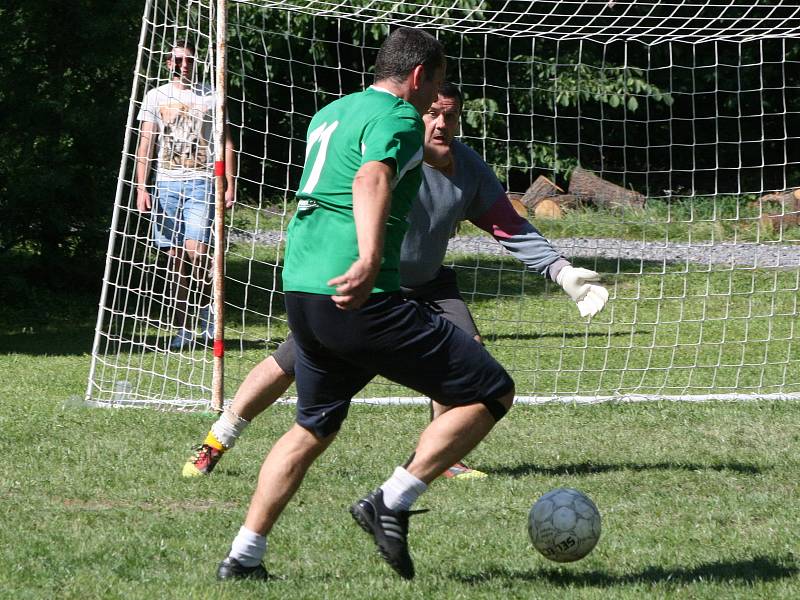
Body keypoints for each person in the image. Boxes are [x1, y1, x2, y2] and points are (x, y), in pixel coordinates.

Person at [183, 82, 609, 480]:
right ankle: (218, 439)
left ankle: (445, 460)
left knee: (467, 357)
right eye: (433, 114)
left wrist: (562, 270)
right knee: (288, 364)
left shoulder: (469, 168)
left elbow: (508, 225)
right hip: (369, 286)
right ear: (415, 114)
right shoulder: (388, 151)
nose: (441, 123)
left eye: (451, 116)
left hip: (429, 285)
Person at [215, 27, 517, 582]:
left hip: (303, 286)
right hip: (359, 295)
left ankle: (243, 557)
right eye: (439, 85)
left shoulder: (332, 112)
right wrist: (372, 258)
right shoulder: (401, 117)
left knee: (313, 426)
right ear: (420, 76)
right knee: (491, 390)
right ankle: (392, 500)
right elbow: (371, 175)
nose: (437, 102)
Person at [135, 39, 236, 350]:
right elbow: (146, 144)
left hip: (202, 182)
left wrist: (230, 182)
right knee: (175, 259)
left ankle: (207, 317)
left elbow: (226, 141)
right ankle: (182, 328)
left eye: (189, 59)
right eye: (178, 60)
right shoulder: (156, 96)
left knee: (199, 253)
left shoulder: (212, 95)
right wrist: (141, 187)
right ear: (168, 63)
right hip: (166, 184)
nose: (184, 65)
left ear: (195, 62)